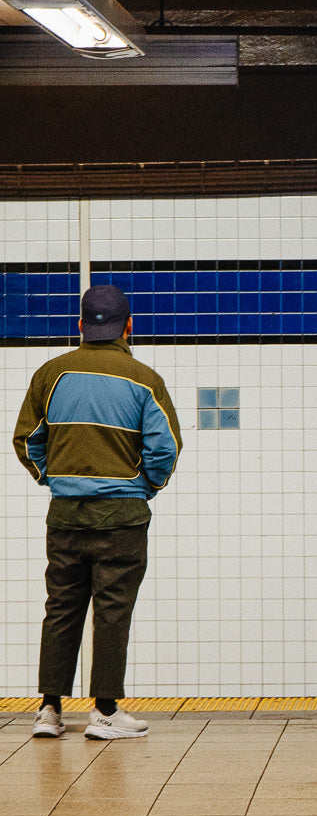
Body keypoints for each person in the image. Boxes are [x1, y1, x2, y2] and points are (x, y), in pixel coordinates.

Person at [12, 284, 182, 739]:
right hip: (123, 516)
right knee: (112, 608)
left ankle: (49, 710)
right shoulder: (144, 379)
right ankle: (105, 711)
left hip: (65, 514)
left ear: (81, 325)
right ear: (129, 326)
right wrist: (142, 486)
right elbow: (165, 448)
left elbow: (27, 440)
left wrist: (55, 478)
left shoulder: (51, 373)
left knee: (61, 606)